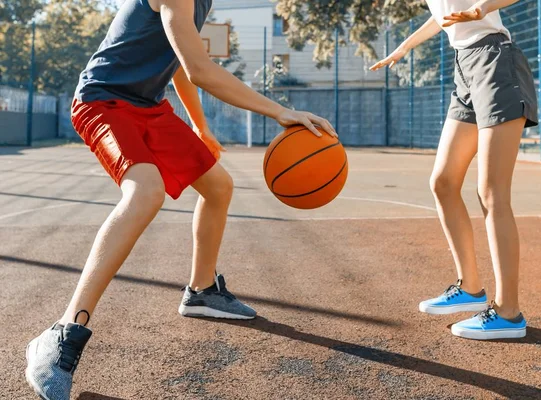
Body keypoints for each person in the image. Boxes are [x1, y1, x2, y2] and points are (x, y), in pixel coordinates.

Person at [25, 0, 337, 398]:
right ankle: (63, 331)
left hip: (149, 106)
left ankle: (202, 291)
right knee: (146, 192)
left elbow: (181, 61)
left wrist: (200, 125)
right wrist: (280, 111)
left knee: (218, 187)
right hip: (103, 100)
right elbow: (200, 69)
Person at [371, 0, 537, 340]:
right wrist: (403, 47)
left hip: (494, 61)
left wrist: (483, 7)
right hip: (465, 67)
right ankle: (471, 288)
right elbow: (441, 17)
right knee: (443, 182)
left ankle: (509, 312)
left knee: (491, 192)